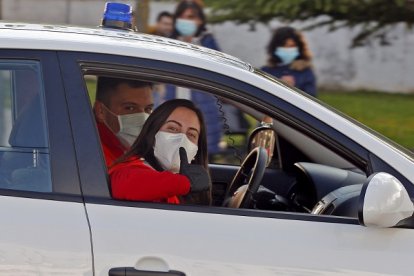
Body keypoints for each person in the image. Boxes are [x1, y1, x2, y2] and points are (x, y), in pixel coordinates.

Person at [109, 99, 211, 205]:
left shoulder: (181, 186)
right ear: (152, 133)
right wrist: (186, 183)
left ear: (197, 150)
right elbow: (124, 184)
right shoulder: (130, 168)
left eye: (191, 134)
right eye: (173, 128)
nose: (182, 139)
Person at [162, 0, 223, 158]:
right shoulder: (169, 42)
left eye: (191, 17)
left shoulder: (208, 42)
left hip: (202, 108)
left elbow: (217, 70)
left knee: (200, 154)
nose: (186, 21)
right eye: (182, 17)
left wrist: (195, 44)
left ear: (200, 20)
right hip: (174, 102)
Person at [93, 77, 154, 167]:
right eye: (130, 108)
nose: (143, 120)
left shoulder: (127, 150)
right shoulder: (96, 157)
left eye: (148, 109)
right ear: (100, 111)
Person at [261, 26, 317, 97]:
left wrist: (293, 88)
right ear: (275, 47)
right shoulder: (266, 71)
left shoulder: (305, 72)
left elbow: (311, 98)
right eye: (284, 46)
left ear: (299, 48)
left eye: (291, 46)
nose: (287, 49)